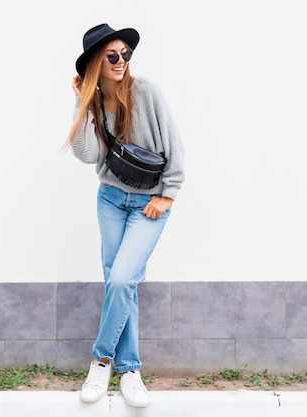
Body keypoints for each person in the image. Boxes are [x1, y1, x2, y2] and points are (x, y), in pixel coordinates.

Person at [66, 23, 185, 408]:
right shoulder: (97, 102)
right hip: (111, 200)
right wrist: (82, 101)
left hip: (149, 204)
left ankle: (102, 360)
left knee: (121, 280)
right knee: (120, 283)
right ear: (95, 66)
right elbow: (87, 155)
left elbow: (175, 144)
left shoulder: (146, 91)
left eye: (125, 54)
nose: (121, 61)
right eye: (111, 57)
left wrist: (169, 195)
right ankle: (130, 370)